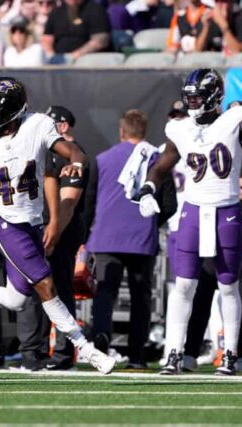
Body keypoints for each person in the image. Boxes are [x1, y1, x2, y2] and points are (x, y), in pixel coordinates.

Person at [0, 77, 115, 375]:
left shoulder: (38, 125)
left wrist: (77, 162)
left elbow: (73, 152)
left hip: (31, 220)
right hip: (4, 221)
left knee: (17, 299)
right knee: (45, 284)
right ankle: (88, 350)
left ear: (11, 107)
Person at [136, 68, 242, 375]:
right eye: (189, 97)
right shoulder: (179, 129)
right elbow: (160, 166)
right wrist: (147, 189)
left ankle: (232, 354)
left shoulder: (233, 121)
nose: (192, 104)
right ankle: (173, 353)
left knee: (228, 286)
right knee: (183, 285)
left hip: (227, 209)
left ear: (213, 97)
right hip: (193, 211)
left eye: (197, 97)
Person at [84, 109, 176, 369]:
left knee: (104, 292)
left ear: (122, 132)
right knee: (141, 296)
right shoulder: (159, 159)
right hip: (141, 239)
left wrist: (86, 233)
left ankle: (101, 342)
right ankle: (136, 355)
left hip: (105, 237)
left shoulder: (102, 159)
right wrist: (149, 224)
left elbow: (89, 203)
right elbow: (169, 204)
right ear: (144, 132)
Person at [16, 106, 85, 371]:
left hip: (59, 231)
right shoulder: (42, 153)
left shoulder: (73, 156)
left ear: (63, 126)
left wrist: (54, 229)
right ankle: (37, 350)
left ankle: (64, 353)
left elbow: (68, 202)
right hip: (39, 226)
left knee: (60, 290)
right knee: (38, 290)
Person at [41, 0, 111, 63]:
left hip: (87, 60)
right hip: (59, 60)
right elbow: (47, 37)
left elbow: (101, 40)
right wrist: (51, 55)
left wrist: (74, 56)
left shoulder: (95, 10)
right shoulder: (57, 11)